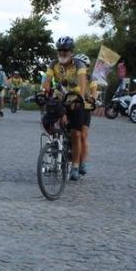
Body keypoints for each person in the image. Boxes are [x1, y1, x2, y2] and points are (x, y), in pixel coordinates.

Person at [42, 36, 91, 181]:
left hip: (75, 99)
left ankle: (75, 166)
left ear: (71, 51)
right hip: (60, 98)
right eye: (60, 50)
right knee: (47, 120)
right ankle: (56, 140)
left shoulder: (79, 65)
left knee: (77, 134)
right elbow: (47, 81)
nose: (62, 53)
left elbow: (82, 84)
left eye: (66, 50)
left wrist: (80, 96)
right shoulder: (53, 64)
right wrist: (43, 92)